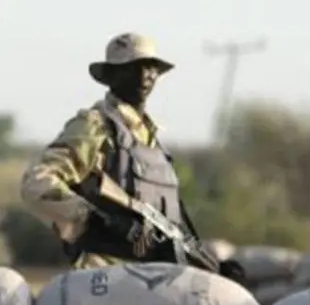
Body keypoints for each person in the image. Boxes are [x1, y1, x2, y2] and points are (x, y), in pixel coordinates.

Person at [20, 32, 244, 281]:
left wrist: (213, 267)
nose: (144, 75)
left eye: (150, 67)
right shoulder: (95, 127)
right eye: (131, 67)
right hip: (106, 275)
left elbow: (173, 227)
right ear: (111, 76)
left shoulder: (153, 143)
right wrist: (97, 222)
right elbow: (37, 184)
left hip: (156, 279)